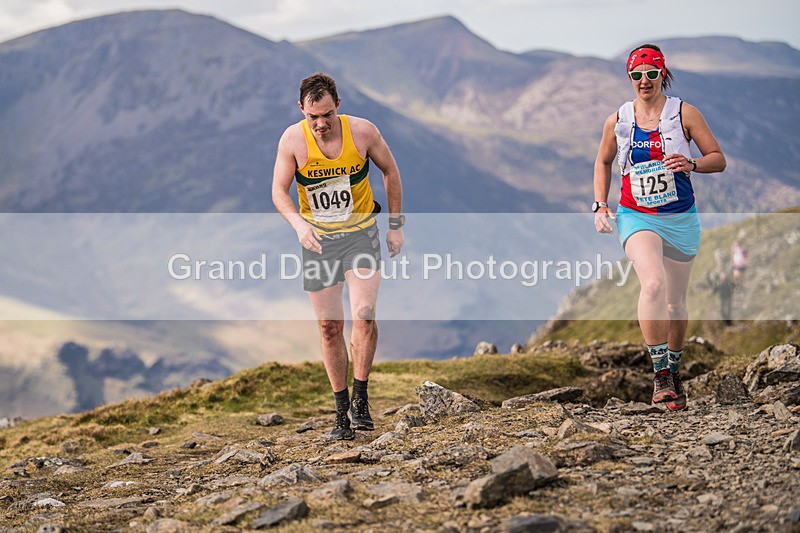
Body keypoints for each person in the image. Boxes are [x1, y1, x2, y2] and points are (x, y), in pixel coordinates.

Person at [593, 45, 726, 411]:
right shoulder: (618, 119)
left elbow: (719, 159)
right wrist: (601, 204)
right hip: (636, 216)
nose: (644, 81)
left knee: (675, 300)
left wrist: (692, 164)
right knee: (652, 283)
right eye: (637, 75)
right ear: (630, 78)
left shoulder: (684, 113)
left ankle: (675, 370)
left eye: (651, 73)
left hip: (680, 218)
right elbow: (603, 161)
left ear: (662, 74)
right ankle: (660, 374)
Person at [272, 73, 404, 439]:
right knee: (330, 327)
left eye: (327, 114)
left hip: (361, 234)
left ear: (338, 106)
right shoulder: (292, 140)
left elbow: (391, 171)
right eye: (313, 116)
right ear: (301, 110)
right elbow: (279, 191)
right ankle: (340, 413)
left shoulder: (363, 132)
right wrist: (299, 226)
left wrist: (395, 225)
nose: (321, 123)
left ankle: (360, 398)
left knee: (364, 315)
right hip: (318, 241)